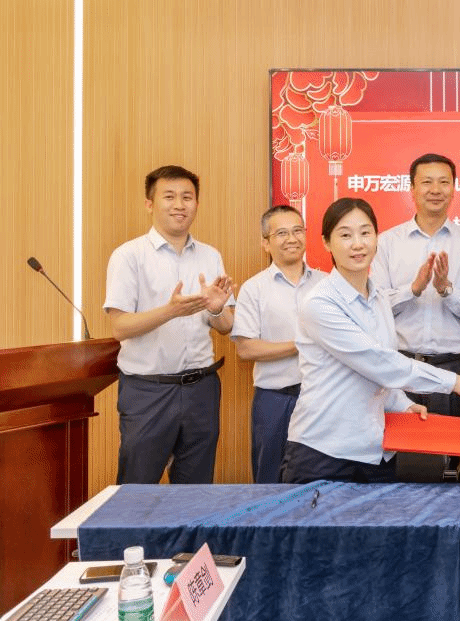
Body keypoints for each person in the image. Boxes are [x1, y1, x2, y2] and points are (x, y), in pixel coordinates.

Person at [280, 197, 460, 484]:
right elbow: (377, 362)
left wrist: (400, 403)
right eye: (345, 235)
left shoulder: (379, 298)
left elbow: (380, 369)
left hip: (375, 450)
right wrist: (457, 382)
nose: (358, 244)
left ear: (377, 238)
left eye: (365, 233)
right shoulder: (320, 302)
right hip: (323, 449)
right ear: (326, 243)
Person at [104, 165, 235, 484]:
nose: (179, 205)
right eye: (169, 197)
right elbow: (119, 327)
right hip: (148, 390)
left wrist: (217, 309)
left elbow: (226, 325)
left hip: (201, 389)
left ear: (197, 204)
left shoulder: (210, 255)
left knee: (195, 489)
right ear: (150, 203)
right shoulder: (128, 256)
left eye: (187, 197)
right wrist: (170, 311)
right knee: (137, 487)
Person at [374, 153, 460, 481]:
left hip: (451, 370)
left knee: (452, 471)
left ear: (454, 188)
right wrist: (413, 289)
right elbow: (374, 306)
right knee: (397, 469)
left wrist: (445, 289)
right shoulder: (387, 242)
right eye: (426, 182)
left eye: (443, 182)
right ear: (412, 189)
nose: (435, 189)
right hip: (400, 368)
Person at [231, 205, 326, 483]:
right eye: (282, 233)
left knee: (319, 480)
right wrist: (299, 344)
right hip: (274, 400)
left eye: (298, 231)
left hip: (321, 398)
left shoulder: (327, 284)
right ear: (266, 243)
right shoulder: (254, 288)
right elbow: (246, 349)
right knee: (269, 480)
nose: (292, 239)